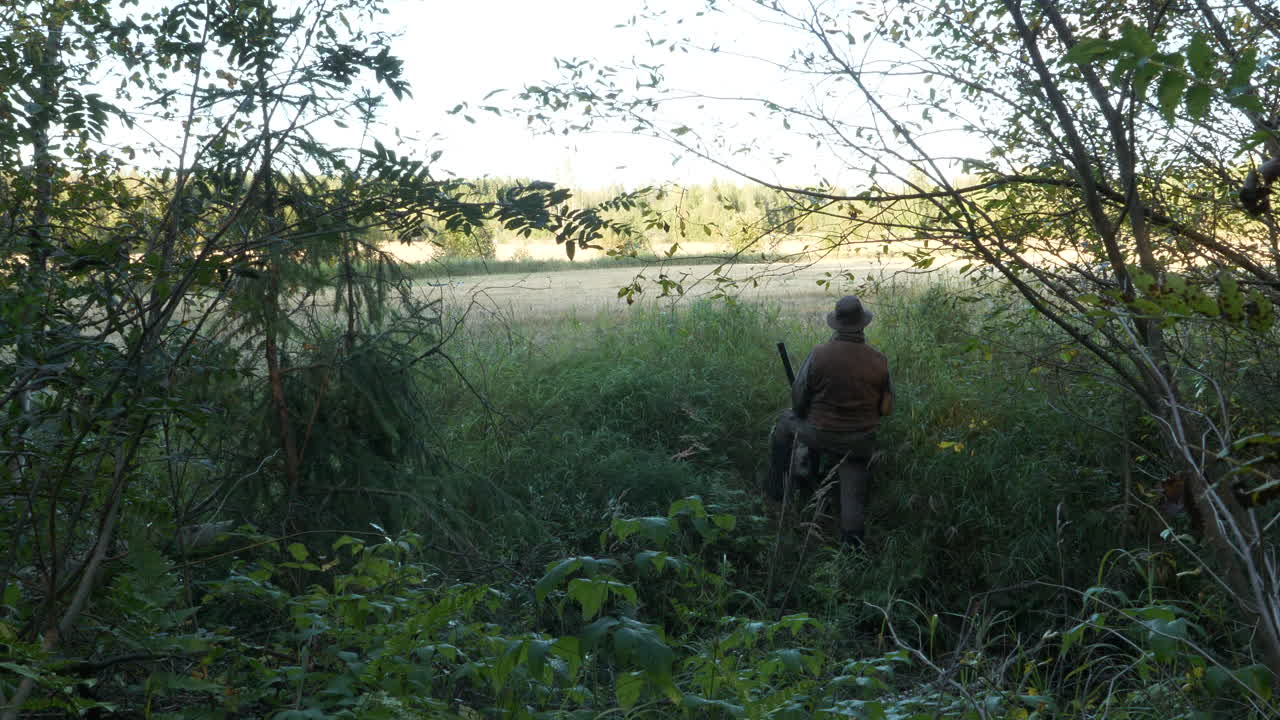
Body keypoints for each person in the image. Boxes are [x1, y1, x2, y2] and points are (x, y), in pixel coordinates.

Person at [771, 295, 893, 548]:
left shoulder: (819, 354)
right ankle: (852, 546)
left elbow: (798, 396)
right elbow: (886, 408)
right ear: (862, 325)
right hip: (859, 440)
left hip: (819, 433)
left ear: (836, 324)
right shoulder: (879, 360)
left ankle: (779, 491)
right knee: (853, 485)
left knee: (784, 424)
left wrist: (803, 412)